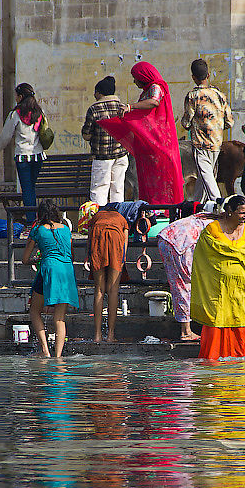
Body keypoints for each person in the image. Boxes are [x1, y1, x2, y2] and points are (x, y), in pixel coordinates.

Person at [99, 62, 184, 205]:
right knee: (150, 183)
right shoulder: (146, 90)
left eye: (135, 77)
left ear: (143, 77)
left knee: (162, 183)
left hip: (159, 143)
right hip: (149, 144)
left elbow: (154, 102)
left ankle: (163, 211)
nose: (134, 81)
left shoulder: (156, 87)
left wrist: (130, 107)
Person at [190, 195, 245, 359]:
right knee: (216, 327)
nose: (244, 217)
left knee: (242, 328)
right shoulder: (212, 230)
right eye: (241, 213)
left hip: (242, 291)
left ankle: (239, 370)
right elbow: (205, 260)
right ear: (229, 211)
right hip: (218, 290)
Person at [22, 200, 79, 357]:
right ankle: (59, 357)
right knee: (60, 319)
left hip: (48, 271)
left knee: (34, 311)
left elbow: (25, 259)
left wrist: (36, 259)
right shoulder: (66, 229)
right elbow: (72, 255)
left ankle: (45, 351)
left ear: (40, 215)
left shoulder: (38, 230)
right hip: (67, 272)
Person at [157, 210, 220, 341]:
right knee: (184, 285)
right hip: (181, 243)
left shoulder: (208, 216)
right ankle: (186, 332)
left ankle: (187, 327)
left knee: (180, 285)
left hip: (167, 237)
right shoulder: (221, 226)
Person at [181, 58, 234, 203]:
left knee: (207, 177)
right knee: (203, 177)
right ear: (208, 75)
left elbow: (186, 122)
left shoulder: (193, 96)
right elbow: (229, 121)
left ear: (193, 78)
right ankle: (196, 207)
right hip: (217, 143)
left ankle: (220, 205)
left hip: (200, 144)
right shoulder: (220, 95)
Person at [0, 82, 46, 227]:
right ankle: (34, 218)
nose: (15, 98)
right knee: (31, 188)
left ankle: (31, 221)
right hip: (38, 156)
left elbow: (5, 136)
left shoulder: (16, 114)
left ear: (21, 96)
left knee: (27, 189)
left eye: (16, 95)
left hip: (23, 157)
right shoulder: (39, 113)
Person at [81, 76, 128, 205]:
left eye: (95, 92)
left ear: (100, 93)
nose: (94, 95)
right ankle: (118, 219)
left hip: (102, 157)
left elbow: (86, 134)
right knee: (118, 190)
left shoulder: (94, 109)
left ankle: (99, 220)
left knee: (99, 190)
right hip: (121, 155)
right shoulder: (122, 107)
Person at [86, 206, 128, 342]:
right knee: (113, 290)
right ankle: (110, 335)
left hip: (97, 238)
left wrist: (89, 256)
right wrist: (122, 260)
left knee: (99, 289)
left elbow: (89, 239)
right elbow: (125, 243)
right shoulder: (121, 219)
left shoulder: (96, 218)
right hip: (116, 238)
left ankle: (97, 336)